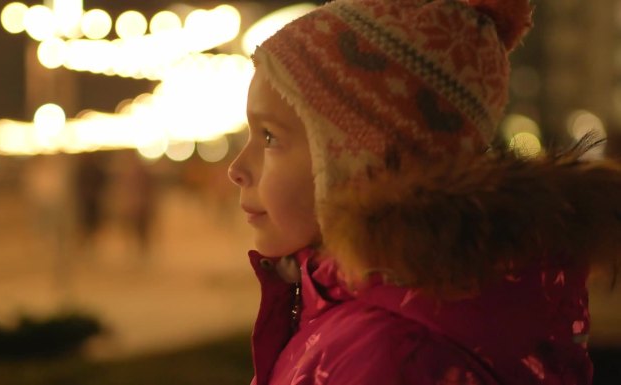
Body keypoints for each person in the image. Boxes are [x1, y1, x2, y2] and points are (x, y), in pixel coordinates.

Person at [228, 0, 621, 384]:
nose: (236, 169)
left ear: (359, 159)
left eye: (269, 137)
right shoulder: (352, 312)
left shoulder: (389, 360)